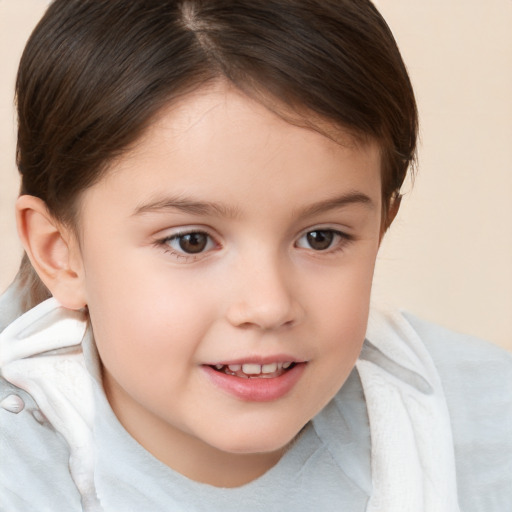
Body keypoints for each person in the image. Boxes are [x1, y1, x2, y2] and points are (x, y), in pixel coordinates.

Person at [0, 1, 510, 511]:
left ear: (380, 228)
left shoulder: (486, 429)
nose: (268, 305)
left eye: (321, 237)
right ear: (61, 253)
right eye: (191, 241)